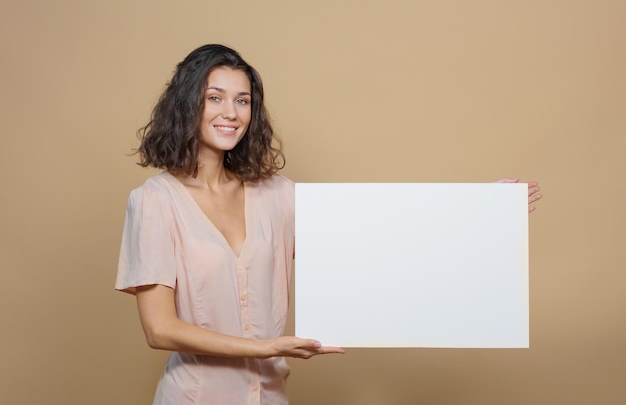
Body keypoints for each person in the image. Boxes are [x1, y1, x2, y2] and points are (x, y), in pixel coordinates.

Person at [115, 44, 542, 405]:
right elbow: (160, 329)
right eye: (216, 97)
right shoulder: (154, 201)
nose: (232, 113)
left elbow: (373, 238)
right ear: (188, 103)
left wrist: (483, 209)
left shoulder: (277, 194)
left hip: (270, 396)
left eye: (243, 100)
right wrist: (267, 346)